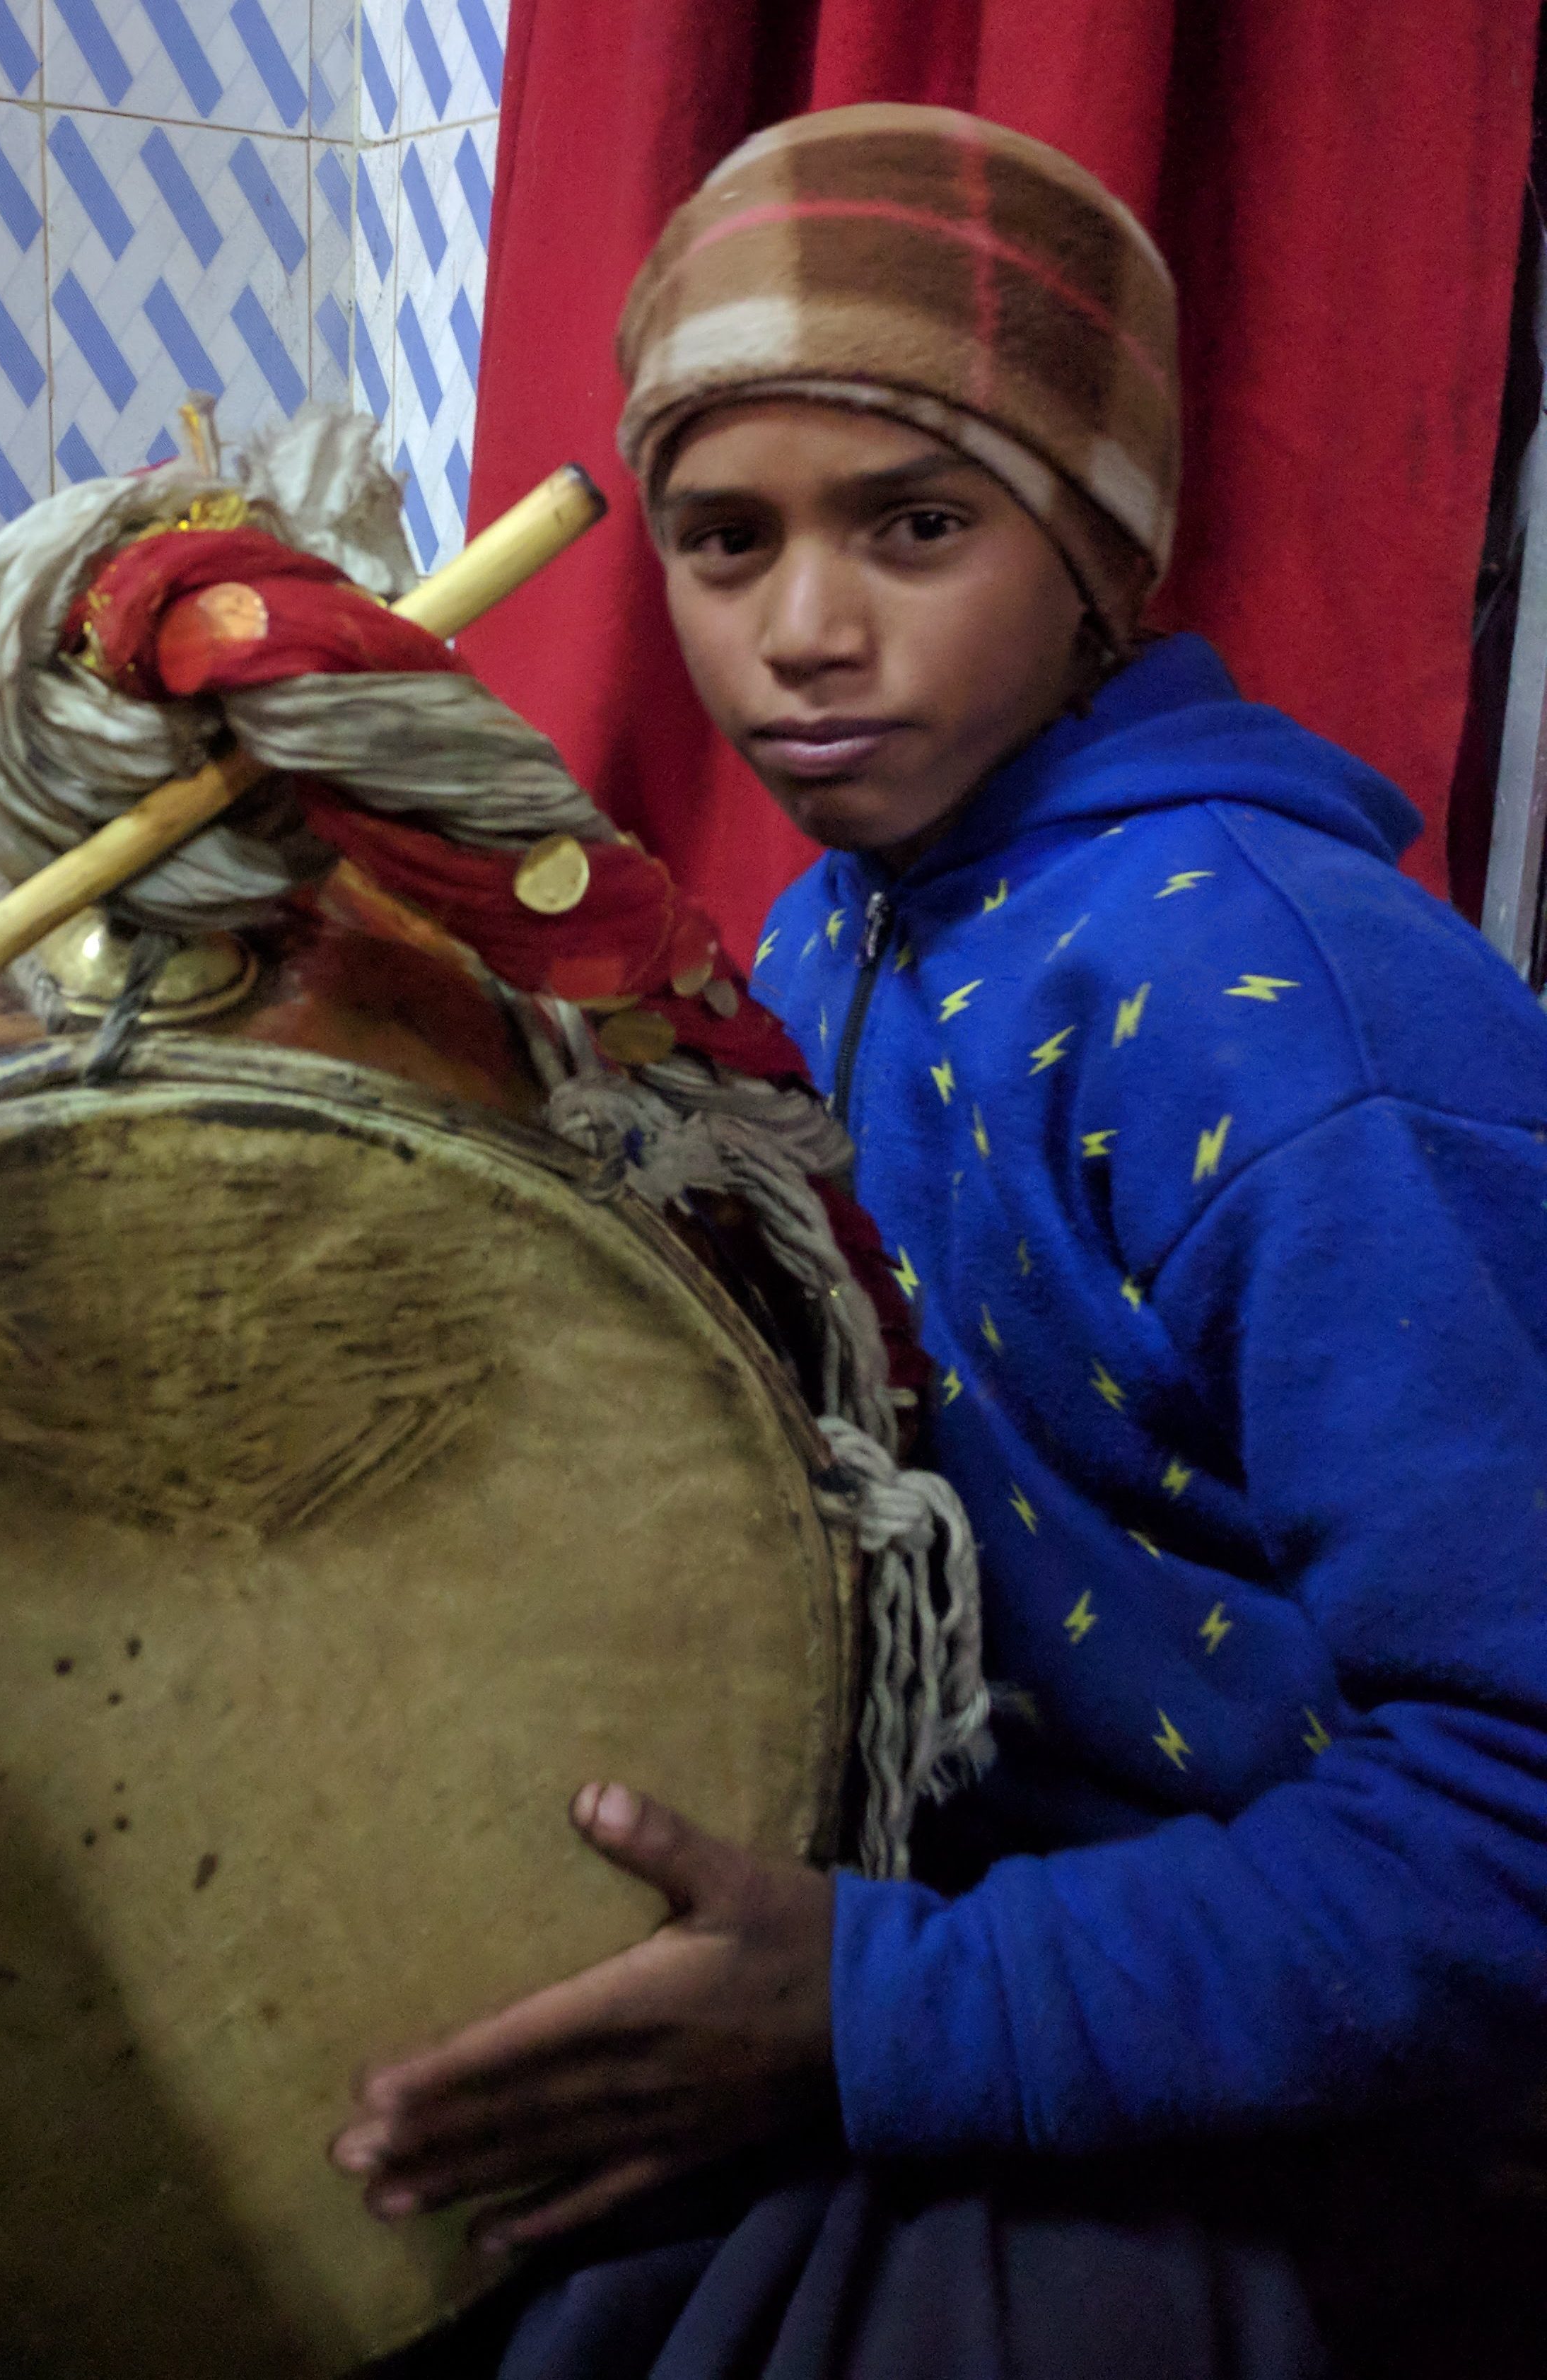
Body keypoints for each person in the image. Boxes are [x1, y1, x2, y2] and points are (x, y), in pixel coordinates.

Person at [331, 104, 1547, 2379]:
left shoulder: (1281, 1012)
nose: (802, 633)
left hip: (1338, 2108)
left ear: (1099, 552)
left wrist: (882, 2007)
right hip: (968, 1955)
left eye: (916, 525)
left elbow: (1521, 1819)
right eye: (721, 538)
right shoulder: (820, 949)